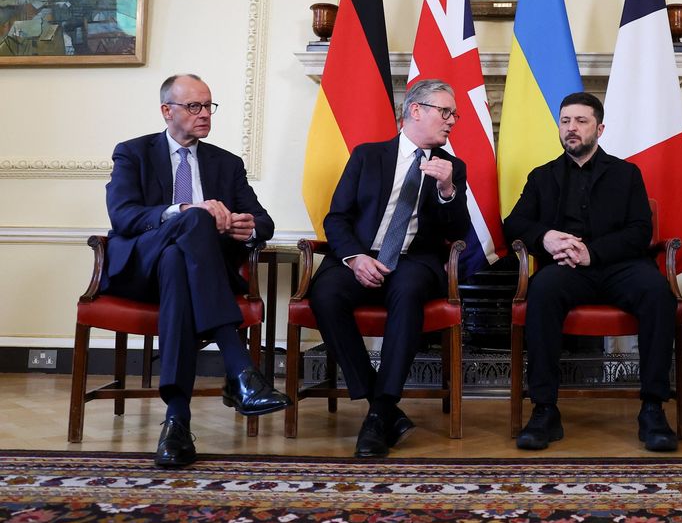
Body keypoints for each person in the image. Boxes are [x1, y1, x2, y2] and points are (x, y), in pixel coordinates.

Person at [102, 74, 291, 468]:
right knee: (194, 221)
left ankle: (177, 422)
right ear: (166, 111)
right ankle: (240, 372)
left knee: (177, 261)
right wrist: (186, 212)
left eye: (208, 106)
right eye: (194, 107)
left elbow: (264, 221)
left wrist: (248, 226)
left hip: (186, 275)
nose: (204, 114)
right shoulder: (132, 153)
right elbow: (122, 217)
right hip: (141, 269)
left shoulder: (226, 163)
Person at [503, 92, 679, 452]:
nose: (572, 128)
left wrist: (591, 252)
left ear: (599, 128)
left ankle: (652, 409)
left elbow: (639, 231)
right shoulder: (542, 176)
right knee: (542, 291)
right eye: (565, 121)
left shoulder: (627, 173)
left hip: (620, 266)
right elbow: (515, 223)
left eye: (581, 121)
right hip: (565, 270)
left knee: (658, 293)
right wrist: (547, 237)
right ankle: (544, 410)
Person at [308, 79, 470, 458]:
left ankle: (380, 412)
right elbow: (337, 218)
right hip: (361, 255)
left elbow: (457, 232)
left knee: (409, 289)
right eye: (444, 112)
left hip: (414, 261)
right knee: (325, 293)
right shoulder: (368, 156)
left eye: (454, 115)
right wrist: (354, 257)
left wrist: (448, 190)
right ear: (416, 110)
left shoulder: (452, 167)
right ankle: (382, 407)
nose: (451, 122)